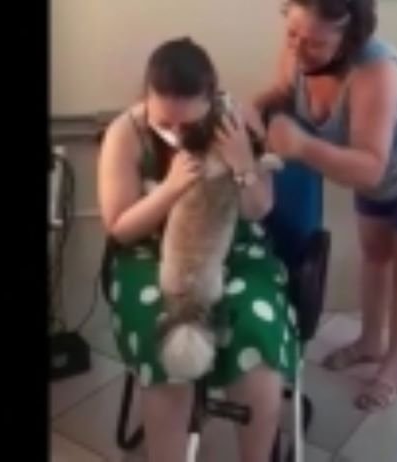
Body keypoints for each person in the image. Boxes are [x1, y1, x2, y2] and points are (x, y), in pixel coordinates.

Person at [97, 37, 297, 462]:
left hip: (234, 245)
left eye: (188, 125)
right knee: (163, 338)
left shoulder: (238, 119)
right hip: (149, 253)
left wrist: (243, 164)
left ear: (211, 99)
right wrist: (170, 189)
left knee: (257, 331)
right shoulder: (125, 133)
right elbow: (120, 230)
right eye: (164, 122)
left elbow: (258, 209)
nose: (176, 134)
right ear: (146, 96)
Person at [255, 0, 397, 412]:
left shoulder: (377, 71)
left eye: (315, 43)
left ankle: (392, 369)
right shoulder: (300, 47)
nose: (298, 49)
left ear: (349, 39)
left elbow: (370, 169)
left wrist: (302, 146)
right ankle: (370, 342)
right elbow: (283, 93)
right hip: (367, 166)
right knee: (374, 255)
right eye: (292, 33)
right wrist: (251, 109)